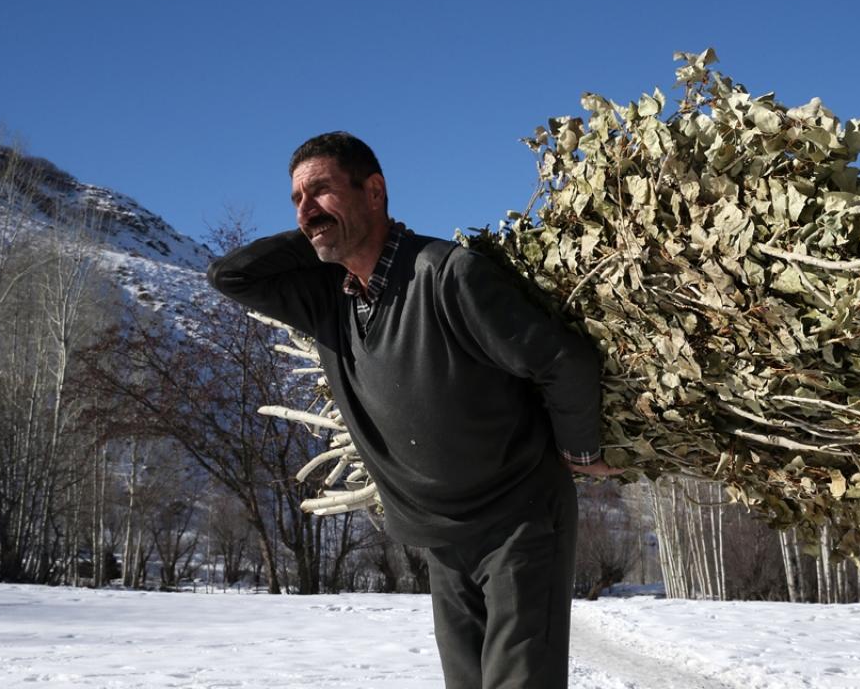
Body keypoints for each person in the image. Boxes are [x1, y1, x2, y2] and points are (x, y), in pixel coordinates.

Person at [207, 131, 619, 688]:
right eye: (296, 199)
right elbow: (230, 276)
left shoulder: (448, 276)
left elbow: (562, 361)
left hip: (517, 519)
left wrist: (580, 449)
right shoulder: (330, 302)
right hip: (439, 537)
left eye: (322, 190)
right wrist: (322, 224)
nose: (305, 208)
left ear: (374, 190)